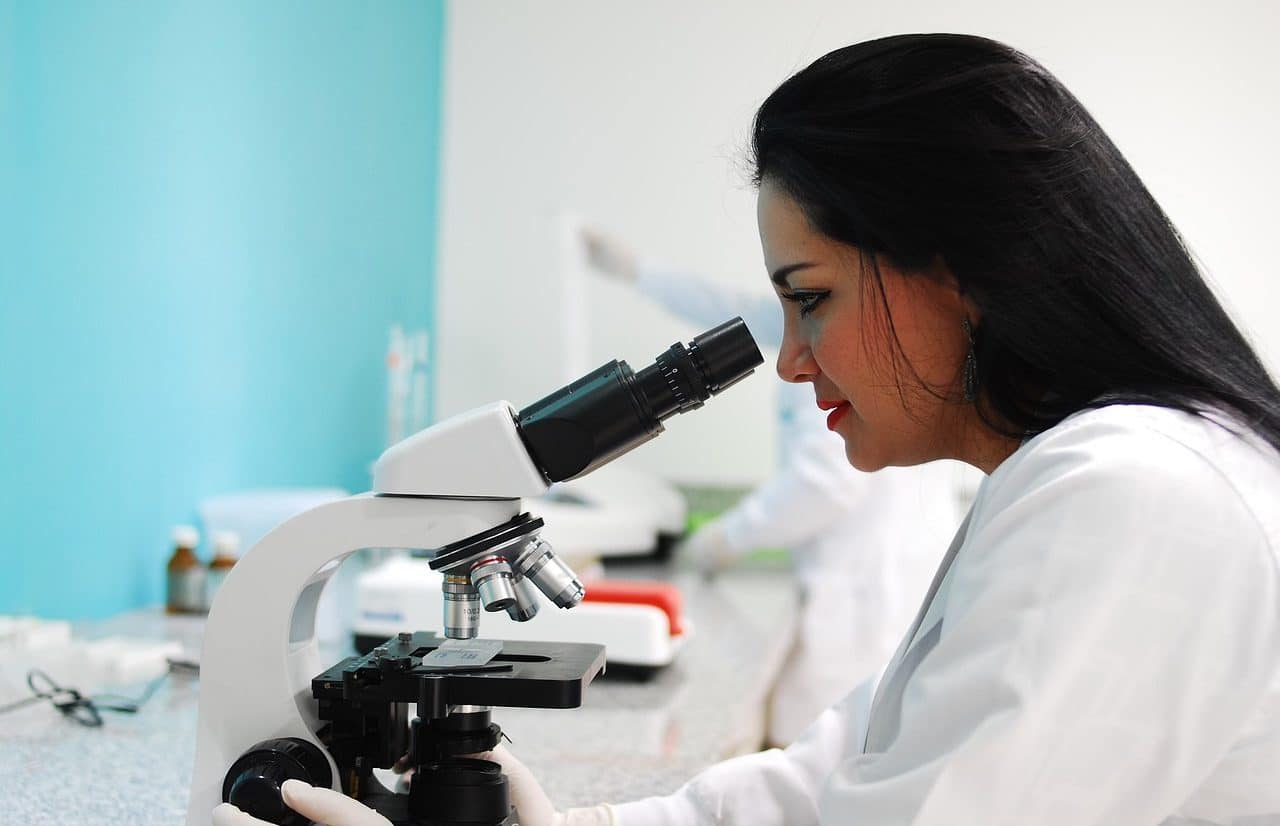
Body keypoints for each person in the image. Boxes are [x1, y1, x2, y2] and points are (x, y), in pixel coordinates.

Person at [217, 33, 1280, 826]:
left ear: (960, 270)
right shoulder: (1101, 474)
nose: (790, 358)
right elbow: (835, 786)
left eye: (809, 296)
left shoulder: (1131, 497)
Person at [578, 228, 966, 747]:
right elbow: (735, 310)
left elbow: (826, 484)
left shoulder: (842, 345)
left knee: (827, 752)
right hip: (883, 577)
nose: (789, 361)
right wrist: (641, 273)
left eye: (803, 293)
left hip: (862, 594)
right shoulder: (850, 316)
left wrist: (727, 538)